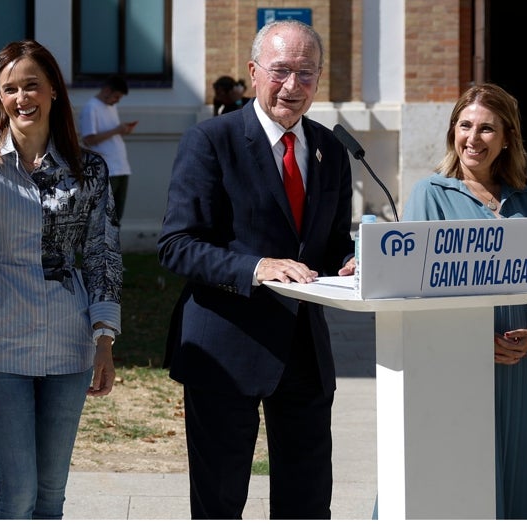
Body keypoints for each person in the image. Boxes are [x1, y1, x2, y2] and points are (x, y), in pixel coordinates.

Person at [157, 19, 356, 519]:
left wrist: (351, 262)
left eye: (306, 73)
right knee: (220, 502)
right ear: (253, 72)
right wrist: (257, 267)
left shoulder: (330, 150)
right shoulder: (211, 142)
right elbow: (177, 245)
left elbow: (328, 245)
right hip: (225, 352)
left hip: (305, 357)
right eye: (281, 70)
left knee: (308, 503)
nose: (293, 86)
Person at [0, 40, 121, 519]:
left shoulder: (90, 170)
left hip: (70, 342)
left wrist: (104, 339)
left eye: (31, 86)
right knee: (16, 496)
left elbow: (102, 253)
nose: (22, 98)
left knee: (50, 498)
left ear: (54, 92)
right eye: (10, 89)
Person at [401, 83, 527, 519]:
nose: (473, 138)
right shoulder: (430, 194)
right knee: (455, 480)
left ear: (507, 138)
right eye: (465, 125)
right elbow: (410, 288)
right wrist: (468, 336)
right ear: (452, 132)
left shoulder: (526, 202)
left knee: (525, 478)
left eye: (487, 129)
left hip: (523, 370)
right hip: (456, 364)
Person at [78, 74, 136, 226]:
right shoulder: (91, 108)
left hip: (121, 167)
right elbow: (88, 139)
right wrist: (116, 130)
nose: (117, 100)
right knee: (103, 216)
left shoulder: (111, 106)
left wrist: (121, 130)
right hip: (106, 168)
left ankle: (111, 248)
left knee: (116, 216)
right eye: (116, 96)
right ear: (106, 90)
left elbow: (109, 132)